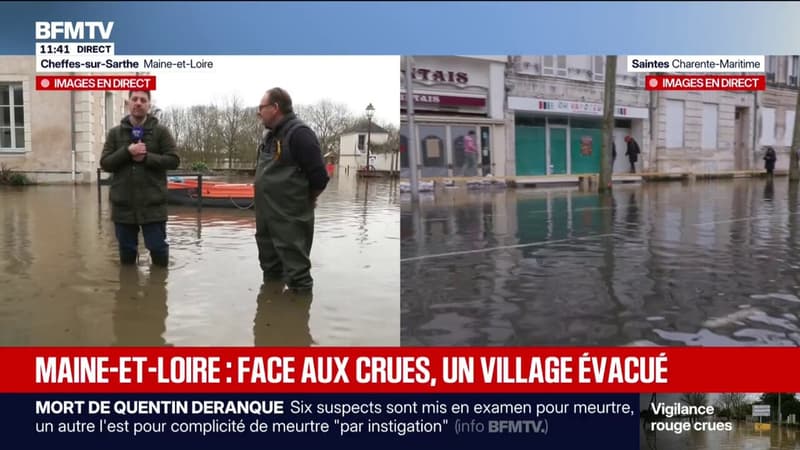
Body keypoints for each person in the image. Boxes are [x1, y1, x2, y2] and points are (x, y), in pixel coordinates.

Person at [254, 87, 329, 292]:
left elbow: (320, 179)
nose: (258, 112)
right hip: (266, 219)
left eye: (261, 107)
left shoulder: (300, 134)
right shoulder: (269, 137)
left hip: (290, 221)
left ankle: (298, 317)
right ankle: (271, 314)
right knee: (269, 269)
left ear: (275, 107)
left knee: (297, 274)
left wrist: (305, 202)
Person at [100, 90, 180, 267]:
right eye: (134, 99)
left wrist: (146, 157)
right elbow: (105, 163)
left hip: (153, 205)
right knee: (127, 253)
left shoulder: (161, 132)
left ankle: (158, 288)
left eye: (143, 100)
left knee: (158, 249)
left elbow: (174, 160)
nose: (138, 103)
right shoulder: (115, 134)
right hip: (123, 205)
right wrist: (127, 152)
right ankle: (129, 289)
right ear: (128, 103)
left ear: (148, 105)